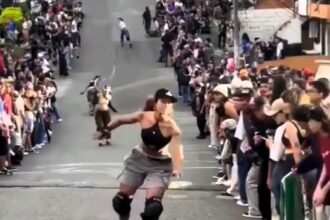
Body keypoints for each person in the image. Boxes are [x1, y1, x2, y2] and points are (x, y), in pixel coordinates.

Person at [94, 88, 184, 220]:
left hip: (160, 165)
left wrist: (178, 166)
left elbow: (177, 147)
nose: (167, 105)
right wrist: (105, 130)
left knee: (153, 208)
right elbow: (120, 120)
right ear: (155, 103)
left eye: (169, 103)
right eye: (163, 101)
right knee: (121, 201)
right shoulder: (143, 116)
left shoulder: (172, 127)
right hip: (138, 159)